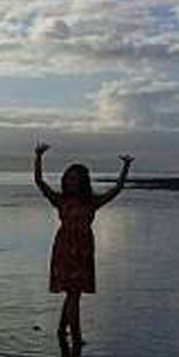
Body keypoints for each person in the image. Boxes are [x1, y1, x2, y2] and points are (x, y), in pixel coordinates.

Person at [34, 143, 133, 344]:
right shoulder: (60, 200)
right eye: (69, 178)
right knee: (73, 294)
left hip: (83, 250)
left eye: (75, 179)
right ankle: (77, 338)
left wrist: (126, 166)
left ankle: (62, 330)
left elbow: (117, 189)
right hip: (64, 250)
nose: (71, 182)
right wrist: (38, 157)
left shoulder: (91, 202)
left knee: (73, 294)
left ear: (82, 182)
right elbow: (39, 182)